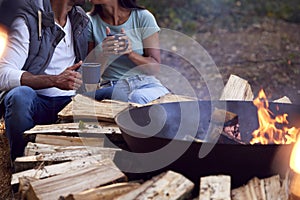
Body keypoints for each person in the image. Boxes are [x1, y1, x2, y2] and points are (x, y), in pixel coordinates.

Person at [0, 0, 89, 161]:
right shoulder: (28, 19)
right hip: (36, 104)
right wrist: (54, 81)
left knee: (115, 93)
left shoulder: (81, 19)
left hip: (70, 104)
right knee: (20, 96)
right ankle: (21, 165)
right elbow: (3, 74)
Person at [86, 0, 170, 104]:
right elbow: (89, 79)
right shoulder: (89, 21)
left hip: (146, 85)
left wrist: (130, 53)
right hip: (111, 89)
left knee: (137, 98)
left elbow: (154, 68)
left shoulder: (143, 17)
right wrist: (104, 53)